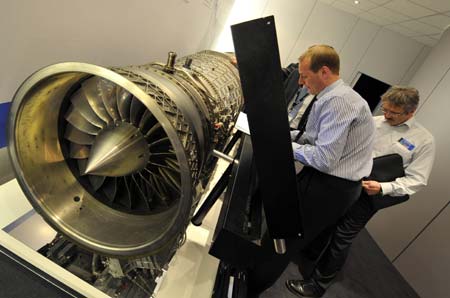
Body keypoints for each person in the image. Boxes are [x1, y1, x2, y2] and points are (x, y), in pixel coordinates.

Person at [247, 44, 376, 297]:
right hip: (325, 181)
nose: (302, 82)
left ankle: (247, 290)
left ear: (324, 71)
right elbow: (311, 138)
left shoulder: (339, 101)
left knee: (281, 242)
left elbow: (325, 158)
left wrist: (281, 145)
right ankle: (250, 276)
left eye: (305, 76)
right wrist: (278, 132)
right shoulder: (330, 98)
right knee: (277, 234)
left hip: (330, 186)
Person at [286, 86, 435, 297]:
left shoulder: (424, 140)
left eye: (394, 112)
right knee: (326, 221)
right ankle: (310, 254)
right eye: (385, 109)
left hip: (371, 192)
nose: (387, 115)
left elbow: (418, 180)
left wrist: (383, 187)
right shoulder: (374, 121)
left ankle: (318, 285)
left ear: (411, 112)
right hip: (347, 182)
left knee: (342, 236)